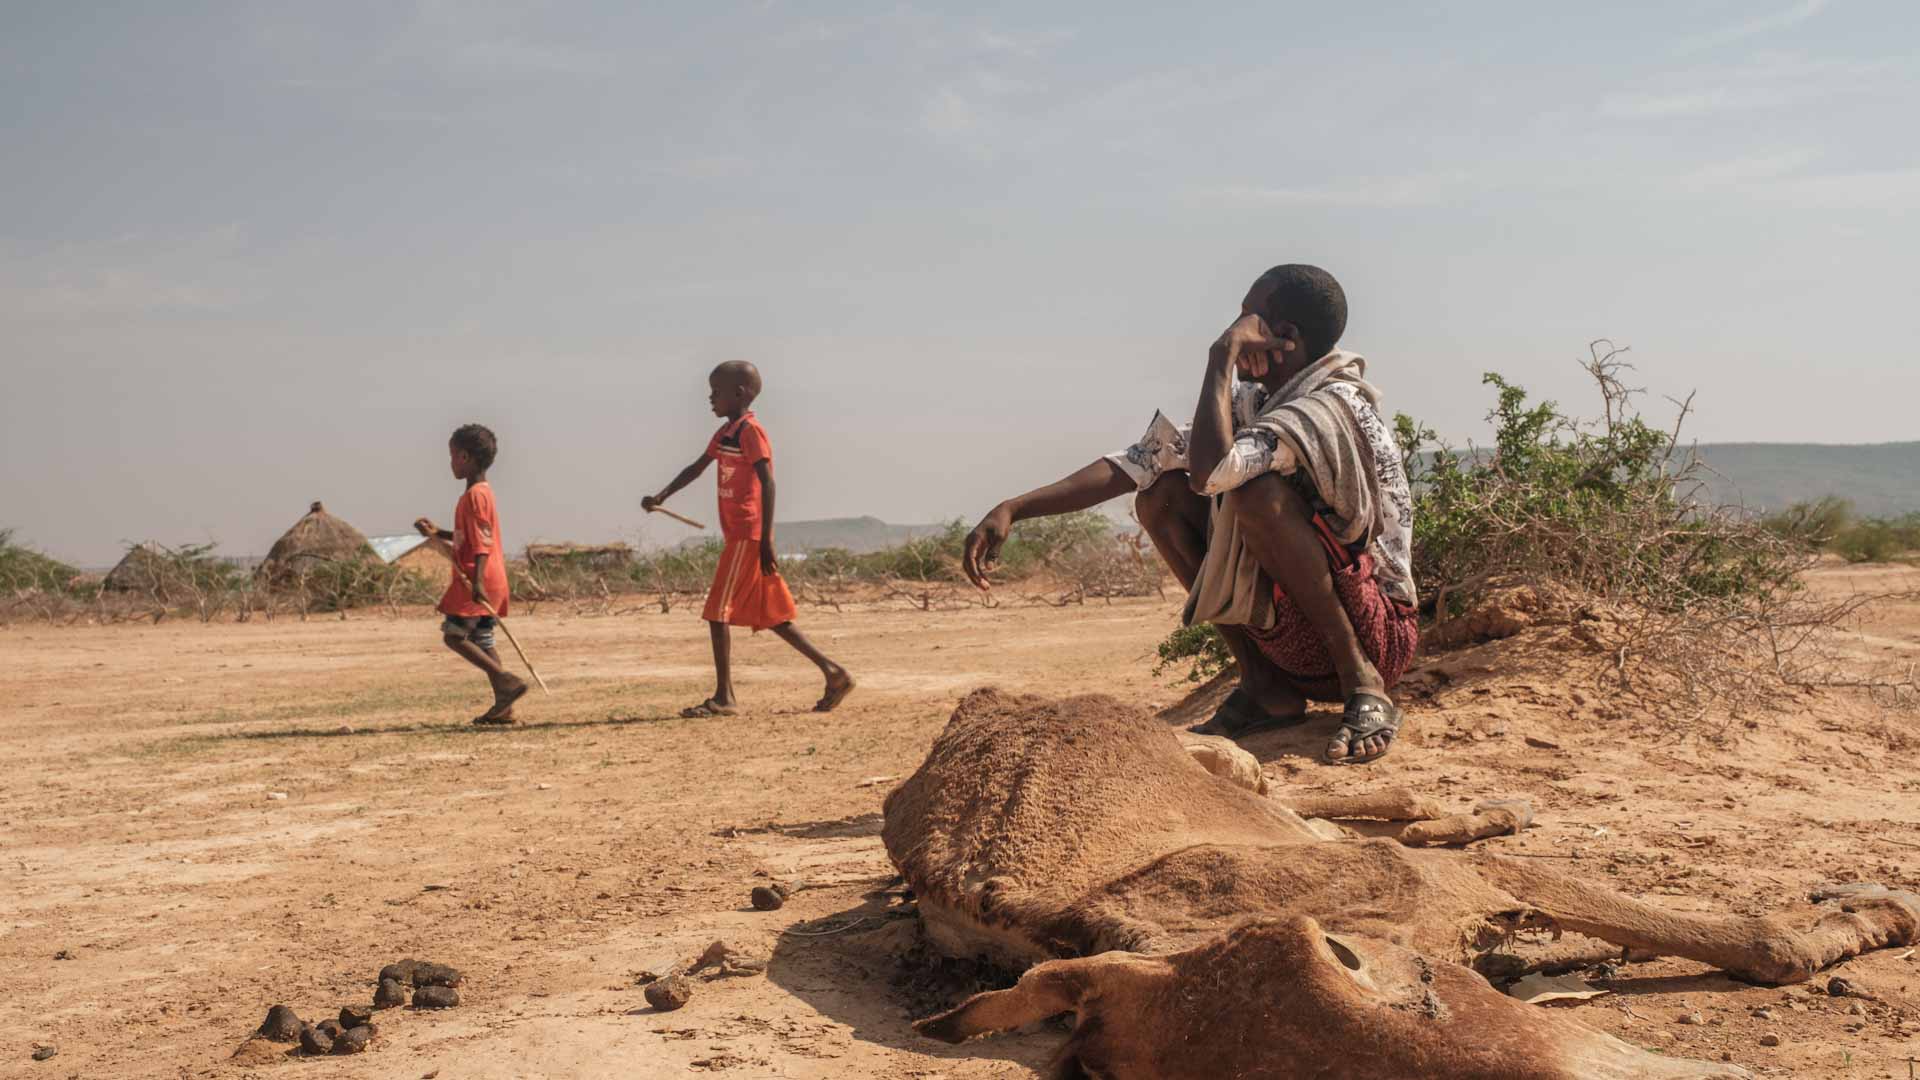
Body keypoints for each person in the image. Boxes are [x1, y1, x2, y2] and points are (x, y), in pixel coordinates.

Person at [963, 265, 1417, 764]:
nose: (1234, 329)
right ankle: (1265, 687)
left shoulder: (1329, 406)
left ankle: (1364, 684)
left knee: (1251, 492)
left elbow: (1216, 472)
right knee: (1158, 497)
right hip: (1295, 646)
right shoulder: (1262, 402)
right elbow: (1140, 461)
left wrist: (1220, 358)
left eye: (1247, 318)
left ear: (1283, 337)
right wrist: (1014, 509)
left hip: (1376, 634)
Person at [644, 361, 856, 717]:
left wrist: (766, 540)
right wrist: (661, 496)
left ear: (739, 394)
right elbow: (697, 467)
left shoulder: (750, 432)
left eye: (716, 392)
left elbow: (768, 481)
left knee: (717, 614)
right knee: (773, 617)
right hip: (741, 536)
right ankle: (834, 673)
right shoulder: (727, 432)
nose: (710, 399)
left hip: (747, 535)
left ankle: (724, 698)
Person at [415, 423, 527, 726]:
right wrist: (439, 532)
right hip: (490, 575)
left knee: (454, 636)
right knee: (484, 639)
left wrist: (476, 581)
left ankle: (505, 680)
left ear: (465, 457)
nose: (450, 463)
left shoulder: (476, 495)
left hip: (478, 576)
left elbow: (481, 542)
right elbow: (470, 534)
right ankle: (504, 707)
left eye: (452, 456)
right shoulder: (480, 494)